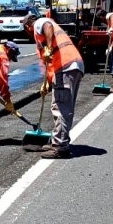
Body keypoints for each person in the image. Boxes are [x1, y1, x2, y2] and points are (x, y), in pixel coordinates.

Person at [23, 11, 84, 159]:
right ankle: (60, 141)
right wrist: (48, 84)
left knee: (60, 107)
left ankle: (60, 147)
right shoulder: (42, 37)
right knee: (64, 106)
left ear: (27, 26)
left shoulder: (39, 23)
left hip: (66, 67)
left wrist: (49, 47)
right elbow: (48, 64)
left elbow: (47, 25)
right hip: (72, 66)